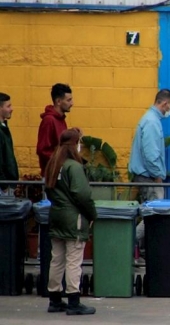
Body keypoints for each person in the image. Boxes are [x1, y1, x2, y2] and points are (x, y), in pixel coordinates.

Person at [44, 128, 97, 315]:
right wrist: (92, 214)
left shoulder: (54, 163)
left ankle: (55, 299)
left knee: (56, 259)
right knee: (74, 260)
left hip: (56, 216)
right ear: (76, 144)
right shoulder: (74, 166)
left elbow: (49, 190)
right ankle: (74, 301)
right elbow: (81, 194)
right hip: (73, 218)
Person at [129, 89, 170, 252]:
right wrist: (157, 176)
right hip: (149, 177)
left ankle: (134, 246)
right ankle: (127, 241)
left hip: (145, 175)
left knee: (151, 214)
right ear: (164, 104)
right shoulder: (151, 122)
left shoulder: (150, 119)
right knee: (155, 215)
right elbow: (151, 155)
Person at [37, 83, 73, 177]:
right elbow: (42, 150)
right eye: (68, 100)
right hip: (52, 175)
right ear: (58, 101)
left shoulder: (60, 119)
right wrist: (61, 162)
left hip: (59, 173)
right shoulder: (49, 120)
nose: (72, 103)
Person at [0, 92, 19, 196]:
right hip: (3, 186)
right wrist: (4, 185)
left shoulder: (4, 128)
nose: (11, 109)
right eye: (8, 106)